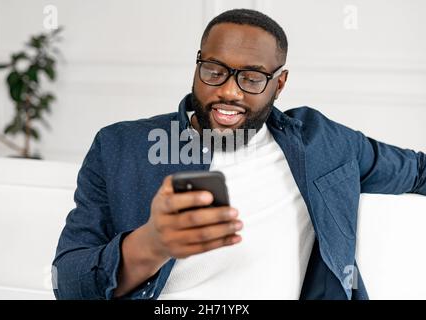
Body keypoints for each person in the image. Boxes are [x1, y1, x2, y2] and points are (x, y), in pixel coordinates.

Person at [52, 9, 426, 300]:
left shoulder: (323, 144)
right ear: (197, 65)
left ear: (279, 84)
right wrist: (151, 244)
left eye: (251, 78)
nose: (229, 92)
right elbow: (68, 282)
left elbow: (418, 171)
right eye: (214, 71)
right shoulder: (121, 146)